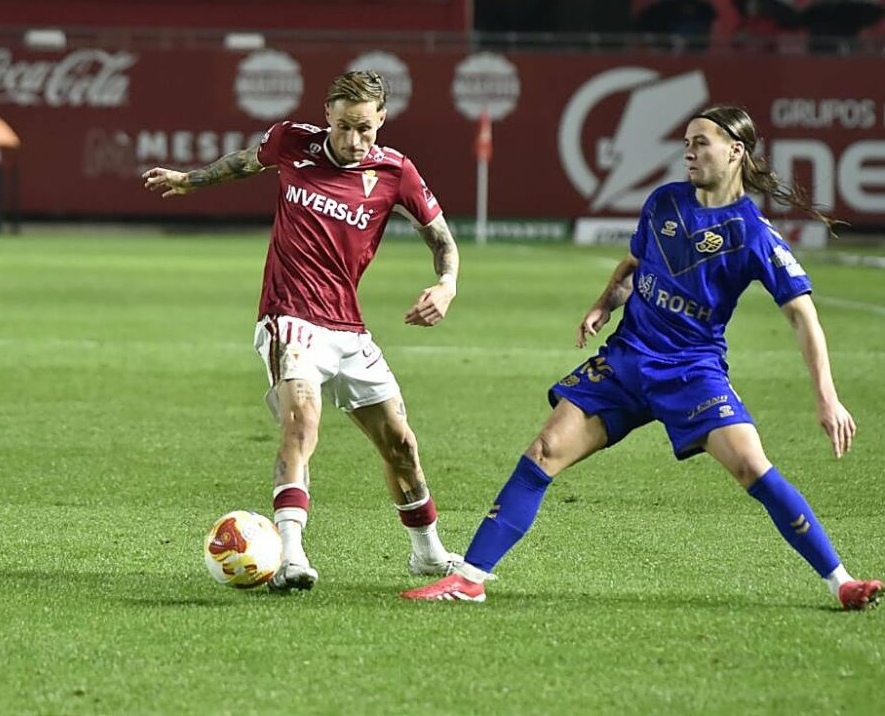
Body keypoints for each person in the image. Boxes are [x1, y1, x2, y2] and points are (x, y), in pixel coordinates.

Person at [402, 105, 882, 611]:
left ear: (736, 151)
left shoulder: (753, 234)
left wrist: (827, 397)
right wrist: (604, 303)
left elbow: (803, 317)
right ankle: (470, 578)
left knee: (751, 466)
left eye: (701, 143)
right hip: (627, 360)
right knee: (544, 450)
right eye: (686, 143)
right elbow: (635, 263)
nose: (689, 152)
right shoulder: (665, 201)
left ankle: (842, 582)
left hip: (692, 371)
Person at [143, 70, 463, 591]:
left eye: (365, 128)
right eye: (343, 127)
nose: (354, 140)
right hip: (288, 317)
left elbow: (442, 240)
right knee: (302, 425)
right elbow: (244, 162)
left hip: (348, 328)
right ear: (327, 116)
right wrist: (190, 180)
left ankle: (428, 555)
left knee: (401, 445)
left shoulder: (395, 172)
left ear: (382, 119)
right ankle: (289, 557)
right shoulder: (292, 142)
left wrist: (446, 285)